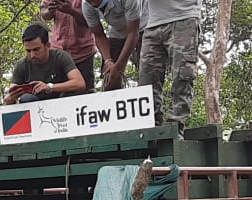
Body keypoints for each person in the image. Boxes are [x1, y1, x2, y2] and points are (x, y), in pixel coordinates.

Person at [138, 0, 199, 136]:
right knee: (146, 81)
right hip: (153, 22)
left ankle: (175, 127)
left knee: (182, 76)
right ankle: (150, 128)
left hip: (183, 17)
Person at [4, 24, 89, 105]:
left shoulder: (61, 57)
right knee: (26, 98)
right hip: (35, 110)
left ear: (47, 46)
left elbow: (80, 83)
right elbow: (8, 98)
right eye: (28, 51)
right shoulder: (21, 66)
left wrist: (50, 87)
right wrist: (11, 97)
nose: (32, 55)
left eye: (36, 49)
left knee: (71, 94)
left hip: (62, 104)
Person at [82, 0, 147, 91]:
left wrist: (119, 66)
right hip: (118, 31)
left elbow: (133, 32)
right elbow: (99, 35)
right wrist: (108, 61)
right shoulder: (86, 5)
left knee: (147, 71)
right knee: (110, 76)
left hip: (142, 26)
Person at [40, 0, 96, 93]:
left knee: (85, 93)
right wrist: (50, 11)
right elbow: (44, 11)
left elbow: (91, 20)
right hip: (58, 52)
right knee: (56, 93)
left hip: (83, 53)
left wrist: (71, 11)